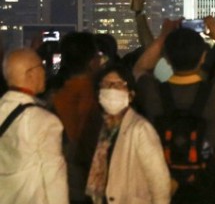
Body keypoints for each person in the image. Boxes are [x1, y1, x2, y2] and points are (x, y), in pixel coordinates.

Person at [134, 17, 215, 201]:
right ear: (203, 57)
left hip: (164, 182)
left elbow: (140, 67)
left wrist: (163, 36)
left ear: (168, 60)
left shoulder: (154, 92)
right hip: (207, 184)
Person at [85, 63, 172, 204]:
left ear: (131, 95)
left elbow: (159, 182)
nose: (111, 89)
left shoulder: (140, 129)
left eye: (118, 84)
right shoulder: (100, 128)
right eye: (106, 84)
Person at [0, 48, 69, 204]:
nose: (45, 72)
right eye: (41, 67)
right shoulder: (44, 121)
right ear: (29, 74)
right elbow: (54, 177)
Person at [50, 31, 102, 204]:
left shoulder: (52, 98)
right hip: (90, 185)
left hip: (60, 184)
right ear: (91, 62)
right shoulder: (97, 98)